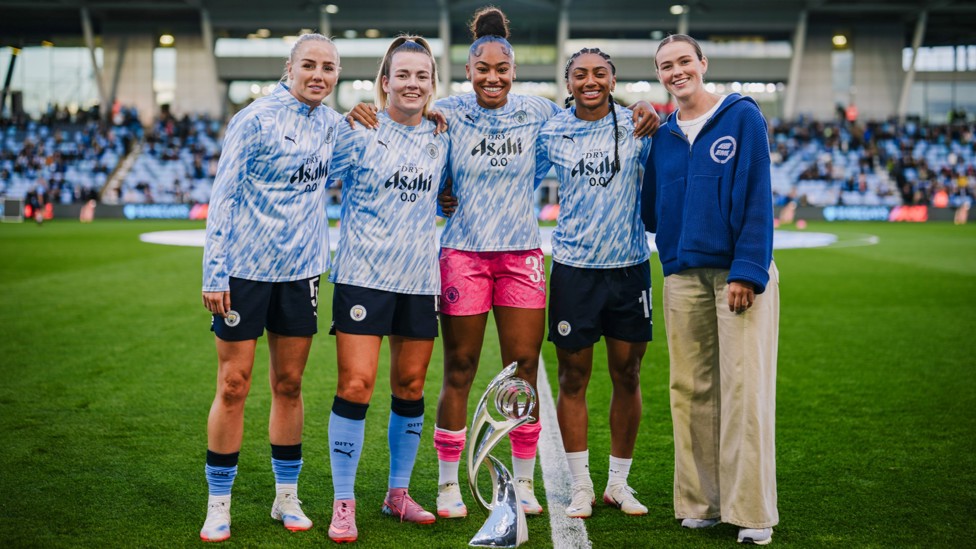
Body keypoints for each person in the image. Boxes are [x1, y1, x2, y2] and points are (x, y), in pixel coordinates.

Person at [349, 6, 658, 519]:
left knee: (524, 371)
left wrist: (640, 103)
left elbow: (595, 114)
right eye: (482, 69)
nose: (492, 78)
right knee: (460, 368)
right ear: (469, 72)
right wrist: (365, 111)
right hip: (463, 256)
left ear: (514, 72)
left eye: (502, 69)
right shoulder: (443, 111)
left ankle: (522, 482)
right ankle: (448, 483)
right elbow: (408, 129)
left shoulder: (540, 114)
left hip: (521, 256)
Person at [199, 33, 343, 543]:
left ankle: (286, 498)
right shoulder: (254, 119)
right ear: (289, 66)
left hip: (301, 273)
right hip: (243, 274)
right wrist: (215, 272)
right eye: (309, 64)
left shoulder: (333, 125)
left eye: (328, 67)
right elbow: (224, 195)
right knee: (233, 385)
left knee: (290, 385)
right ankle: (219, 504)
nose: (318, 75)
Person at [641, 34, 780, 545]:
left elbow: (757, 196)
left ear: (703, 63)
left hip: (736, 275)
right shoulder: (664, 132)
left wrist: (747, 269)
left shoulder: (742, 116)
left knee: (743, 389)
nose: (676, 71)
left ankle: (750, 512)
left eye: (684, 62)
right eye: (665, 66)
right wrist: (676, 246)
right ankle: (701, 501)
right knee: (690, 390)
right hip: (682, 275)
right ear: (659, 74)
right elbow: (651, 206)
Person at [324, 35, 450, 544]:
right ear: (385, 82)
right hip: (362, 274)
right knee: (356, 385)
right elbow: (313, 180)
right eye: (403, 75)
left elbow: (450, 196)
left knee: (411, 387)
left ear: (433, 84)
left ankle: (397, 493)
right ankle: (344, 500)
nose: (412, 83)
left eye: (422, 76)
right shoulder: (358, 131)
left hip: (419, 279)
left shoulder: (443, 135)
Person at [535, 47, 654, 520]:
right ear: (568, 84)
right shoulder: (551, 131)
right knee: (573, 377)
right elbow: (512, 178)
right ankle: (581, 485)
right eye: (580, 74)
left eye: (599, 73)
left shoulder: (638, 125)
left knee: (628, 373)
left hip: (629, 268)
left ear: (612, 78)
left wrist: (651, 113)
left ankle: (619, 484)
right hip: (574, 270)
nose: (590, 81)